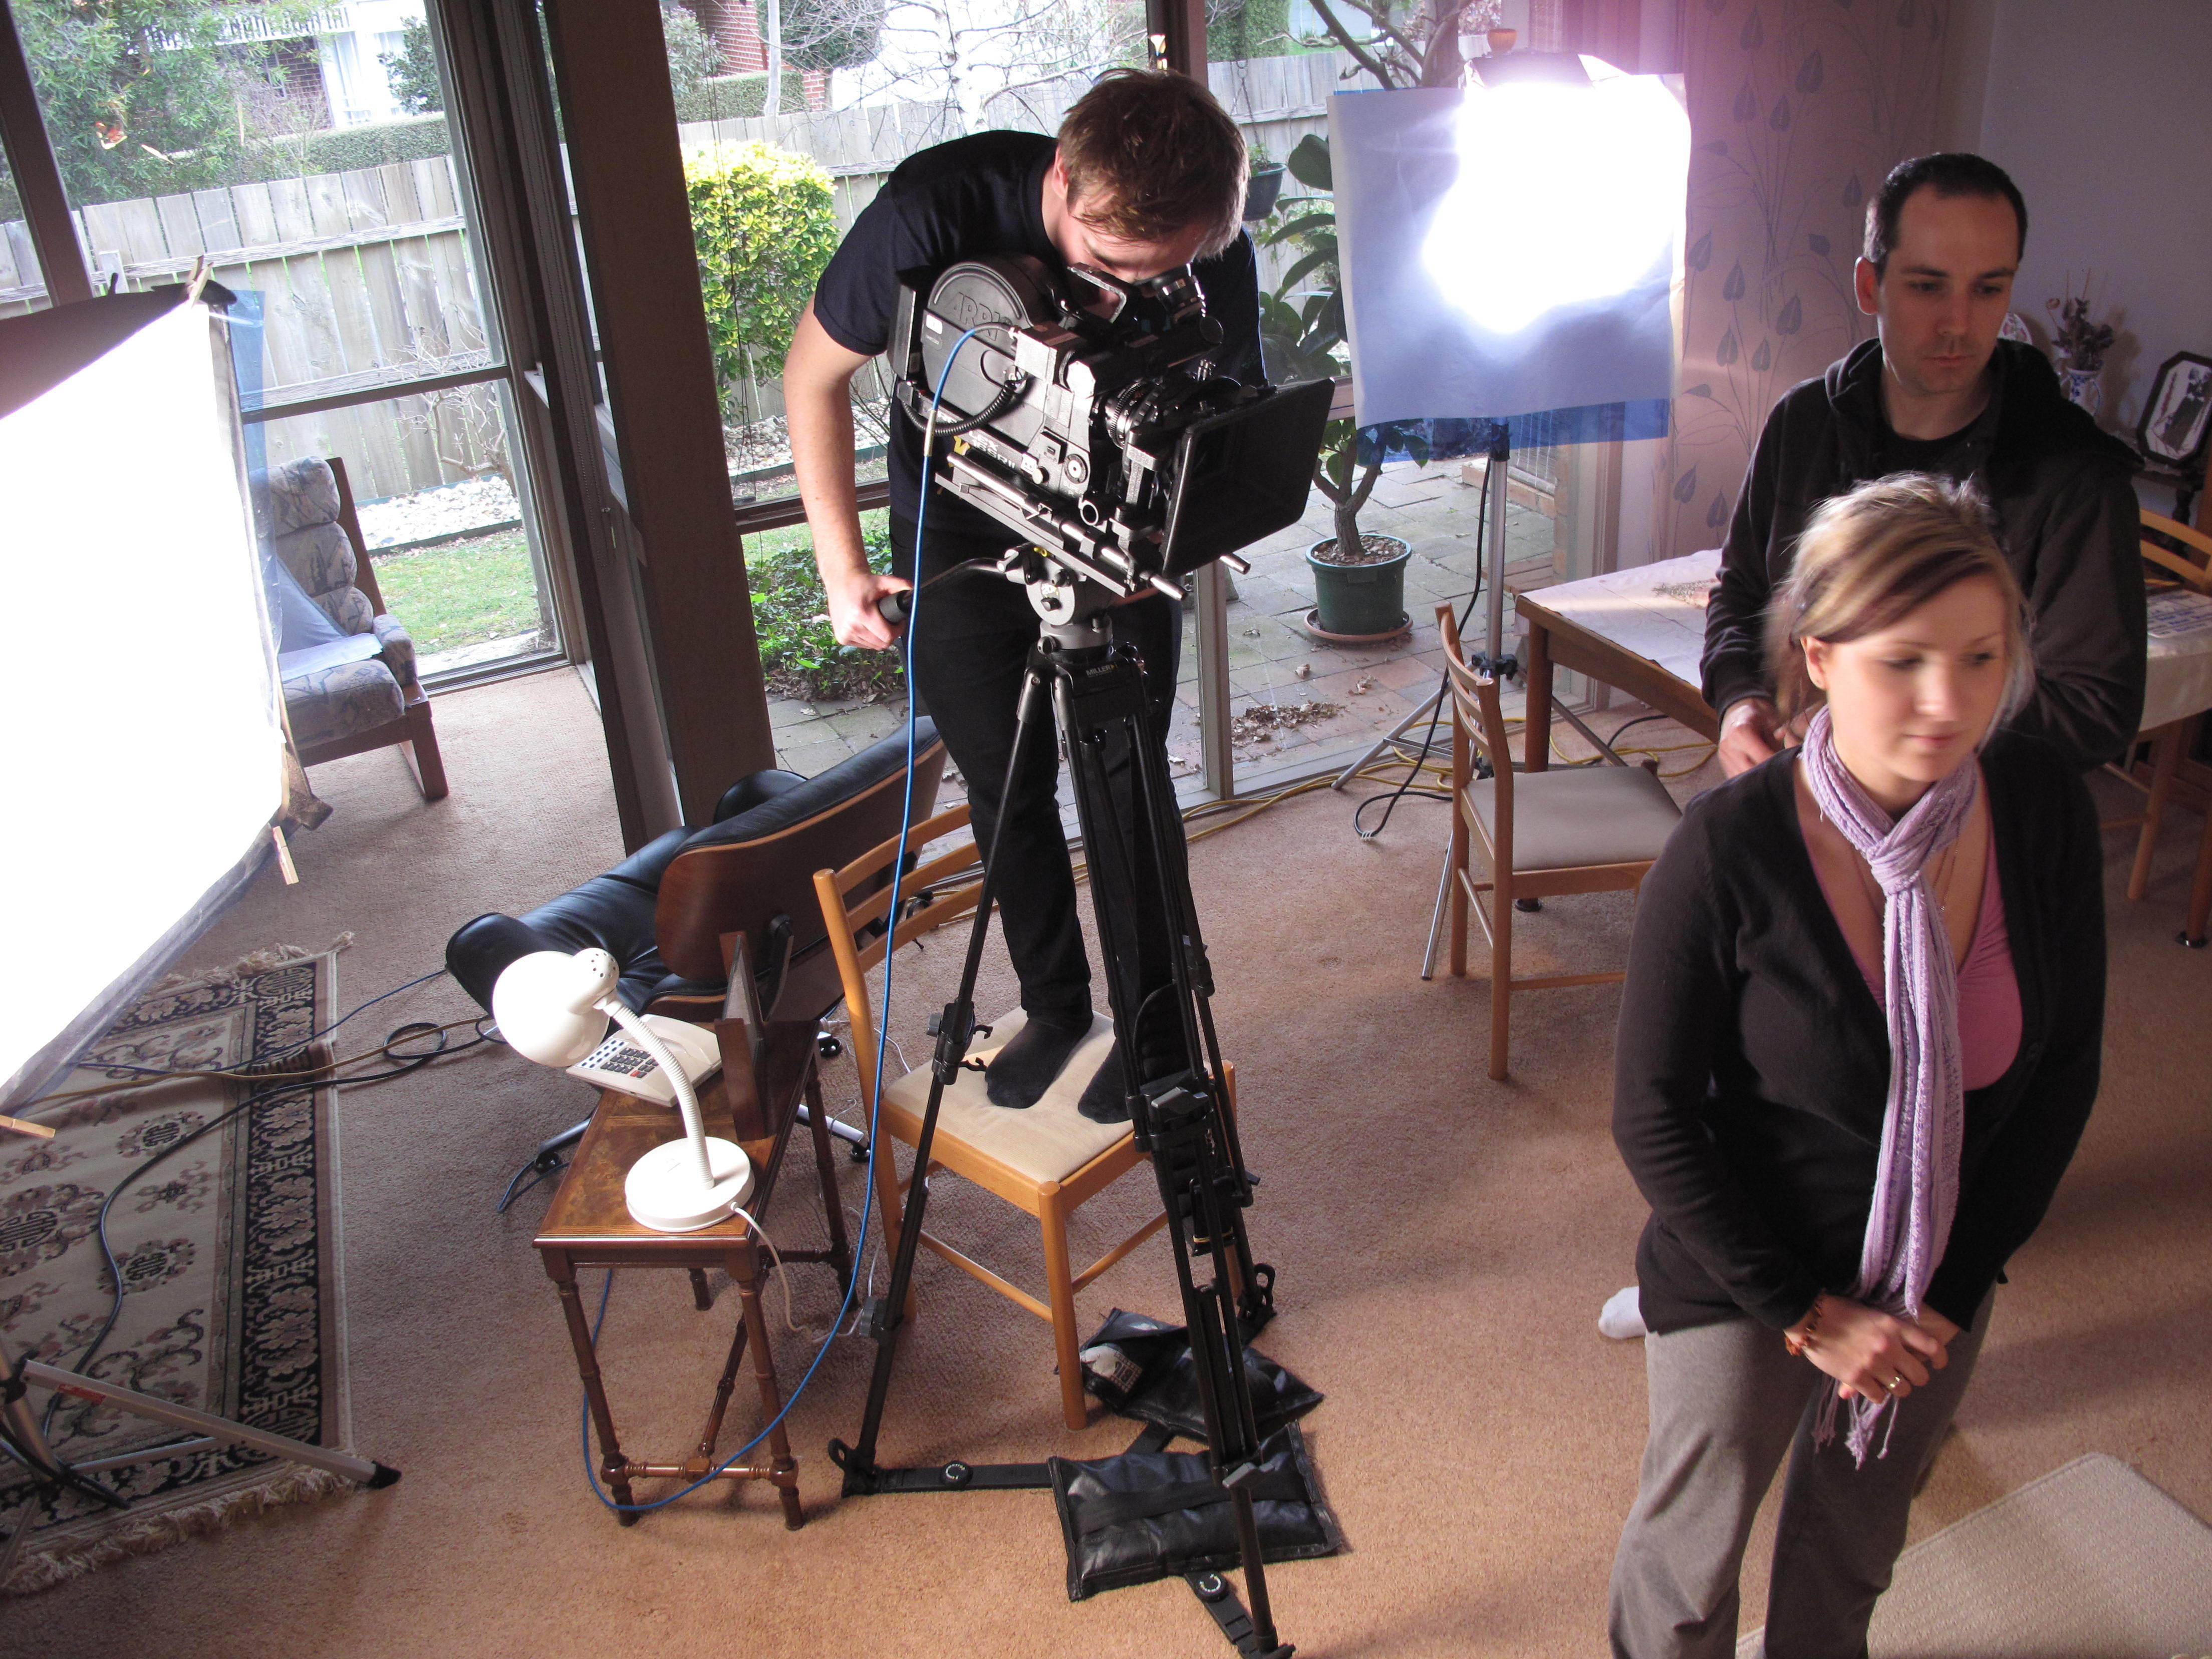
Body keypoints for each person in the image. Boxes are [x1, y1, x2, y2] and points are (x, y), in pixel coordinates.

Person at [1607, 475, 2106, 1658]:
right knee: (1689, 1560)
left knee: (1849, 1547)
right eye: (1903, 662)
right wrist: (1804, 1314)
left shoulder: (2036, 809)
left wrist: (1943, 1289)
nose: (1948, 703)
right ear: (1818, 659)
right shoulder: (1726, 847)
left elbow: (2059, 1078)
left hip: (1937, 1264)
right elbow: (1652, 1117)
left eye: (1980, 658)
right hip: (1746, 1265)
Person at [783, 69, 1263, 1118]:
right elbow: (811, 374)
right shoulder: (932, 211)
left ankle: (1155, 1025)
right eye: (1105, 266)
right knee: (1010, 790)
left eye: (1165, 271)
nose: (1131, 291)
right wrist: (841, 567)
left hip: (1116, 541)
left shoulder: (1207, 240)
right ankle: (1054, 1003)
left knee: (1129, 787)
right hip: (957, 534)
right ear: (1062, 181)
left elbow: (1229, 410)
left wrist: (1177, 541)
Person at [1704, 152, 2144, 779]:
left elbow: (2094, 707)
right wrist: (1738, 699)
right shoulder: (1802, 423)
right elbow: (1743, 591)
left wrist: (1868, 725)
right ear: (1869, 286)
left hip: (1968, 824)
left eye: (1988, 289)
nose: (1959, 324)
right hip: (1796, 787)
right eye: (1928, 286)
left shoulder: (2076, 478)